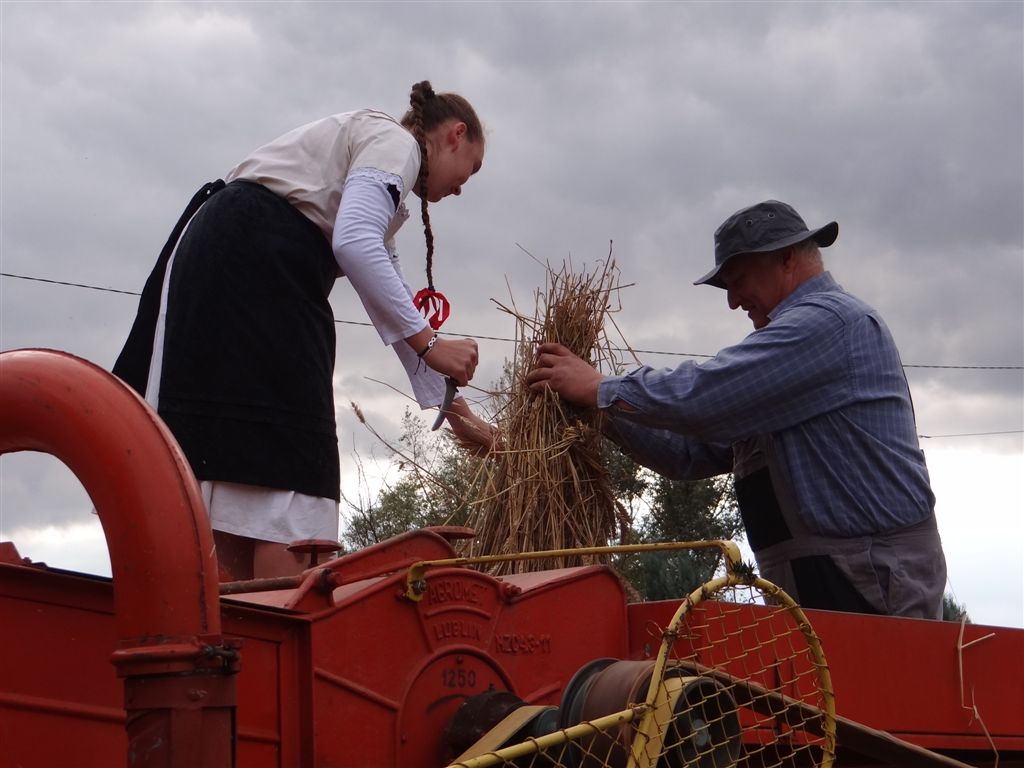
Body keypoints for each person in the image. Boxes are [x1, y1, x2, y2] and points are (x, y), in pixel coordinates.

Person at [114, 81, 497, 580]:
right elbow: (356, 244)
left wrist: (456, 410)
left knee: (230, 466)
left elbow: (390, 297)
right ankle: (292, 631)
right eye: (472, 168)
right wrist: (432, 342)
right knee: (297, 466)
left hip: (217, 264)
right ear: (454, 135)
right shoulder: (396, 144)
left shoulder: (377, 185)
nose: (462, 187)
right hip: (260, 265)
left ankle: (233, 643)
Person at [527, 200, 947, 618]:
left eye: (738, 280)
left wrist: (601, 387)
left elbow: (702, 396)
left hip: (872, 581)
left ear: (786, 259)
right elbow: (687, 453)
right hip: (818, 580)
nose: (731, 301)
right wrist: (601, 411)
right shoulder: (784, 374)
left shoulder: (830, 323)